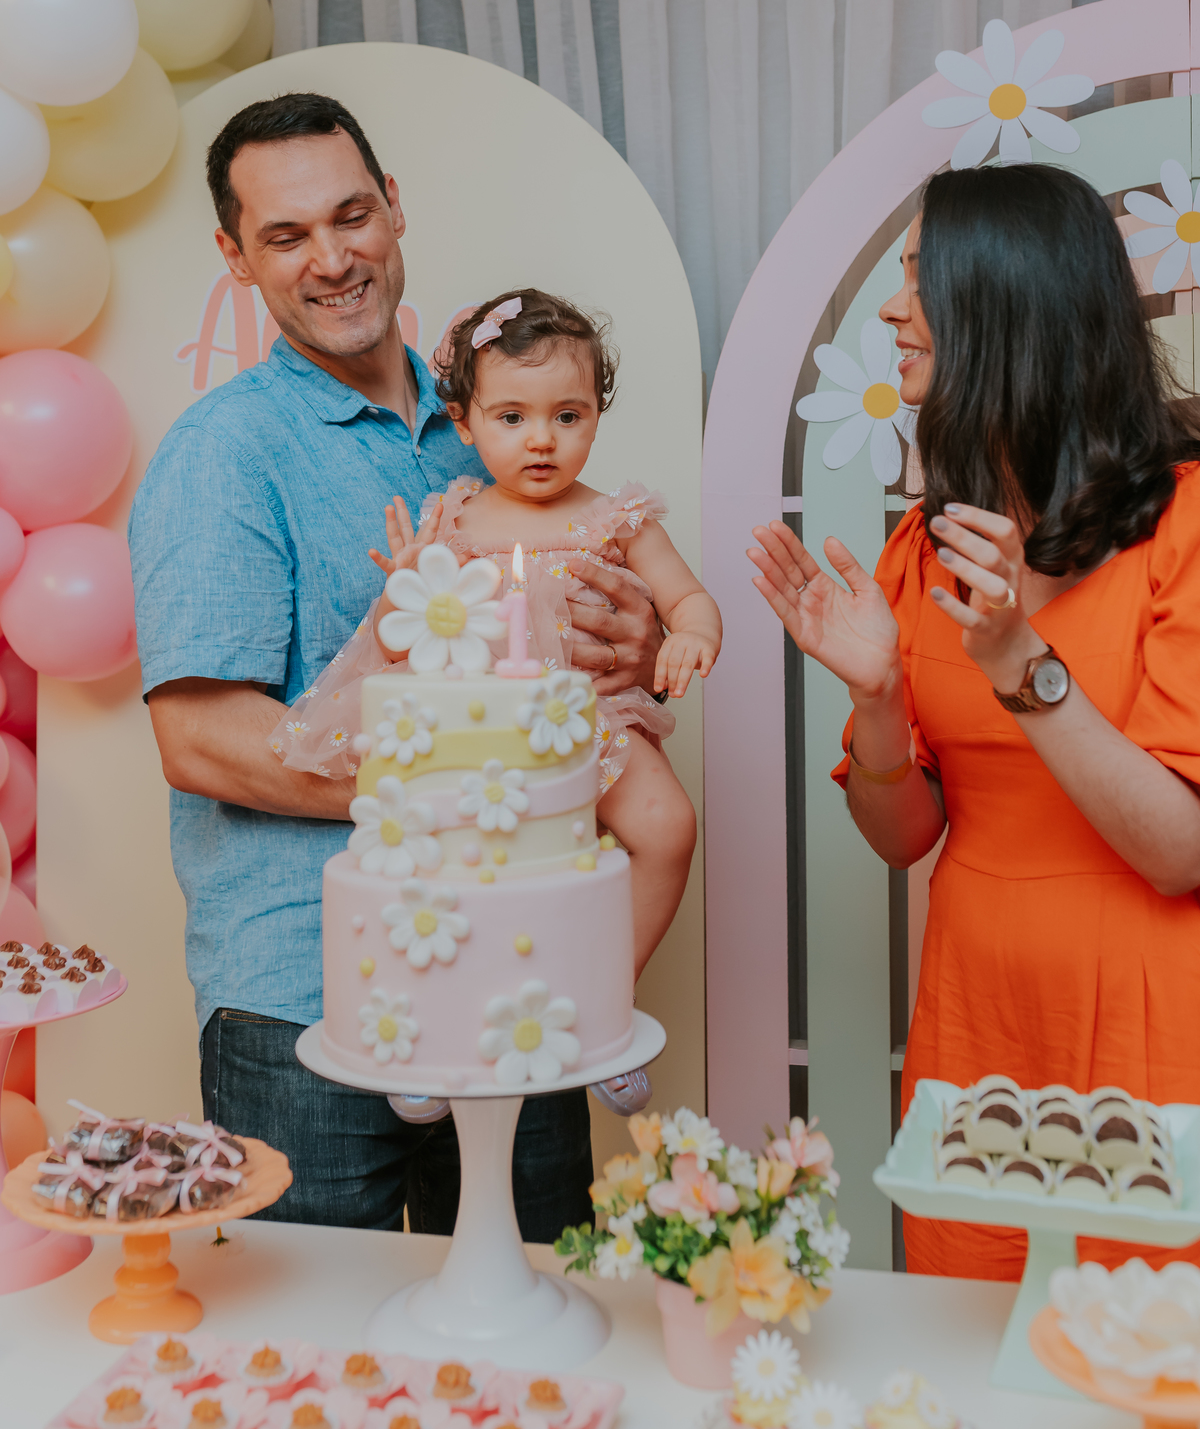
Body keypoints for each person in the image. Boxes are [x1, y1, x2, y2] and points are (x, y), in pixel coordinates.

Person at [129, 92, 666, 1239]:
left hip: (515, 976)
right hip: (303, 1001)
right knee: (320, 1354)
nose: (332, 257)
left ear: (395, 210)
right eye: (285, 235)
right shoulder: (224, 453)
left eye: (352, 214)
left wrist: (635, 641)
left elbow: (555, 653)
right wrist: (477, 793)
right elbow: (198, 738)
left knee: (535, 1319)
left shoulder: (496, 425)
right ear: (235, 256)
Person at [747, 163, 1200, 1280]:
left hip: (1154, 1016)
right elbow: (904, 834)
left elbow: (1178, 849)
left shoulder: (1186, 520)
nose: (895, 310)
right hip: (980, 1022)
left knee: (1135, 1357)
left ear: (1007, 301)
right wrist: (879, 700)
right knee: (969, 1339)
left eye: (917, 279)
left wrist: (1019, 664)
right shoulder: (924, 552)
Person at [276, 287, 716, 984]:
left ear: (596, 418)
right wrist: (407, 586)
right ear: (466, 424)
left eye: (566, 416)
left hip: (585, 721)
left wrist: (689, 633)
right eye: (512, 416)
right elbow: (397, 642)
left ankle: (606, 988)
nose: (541, 438)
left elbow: (685, 595)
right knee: (436, 864)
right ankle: (423, 1016)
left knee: (667, 825)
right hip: (472, 735)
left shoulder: (618, 519)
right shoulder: (451, 519)